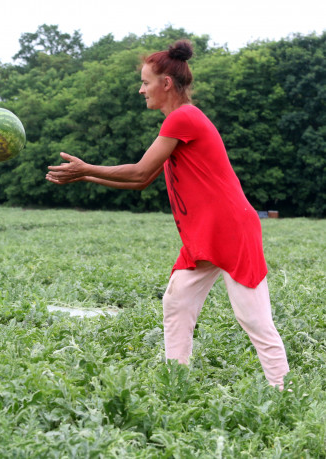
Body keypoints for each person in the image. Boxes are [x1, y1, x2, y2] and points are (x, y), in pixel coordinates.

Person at [45, 40, 289, 389]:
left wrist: (87, 169)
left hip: (231, 230)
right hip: (205, 233)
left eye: (146, 82)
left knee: (253, 318)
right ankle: (176, 382)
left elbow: (140, 172)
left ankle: (285, 391)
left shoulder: (183, 117)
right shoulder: (180, 121)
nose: (140, 88)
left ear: (166, 84)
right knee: (177, 302)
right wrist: (85, 173)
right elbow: (142, 181)